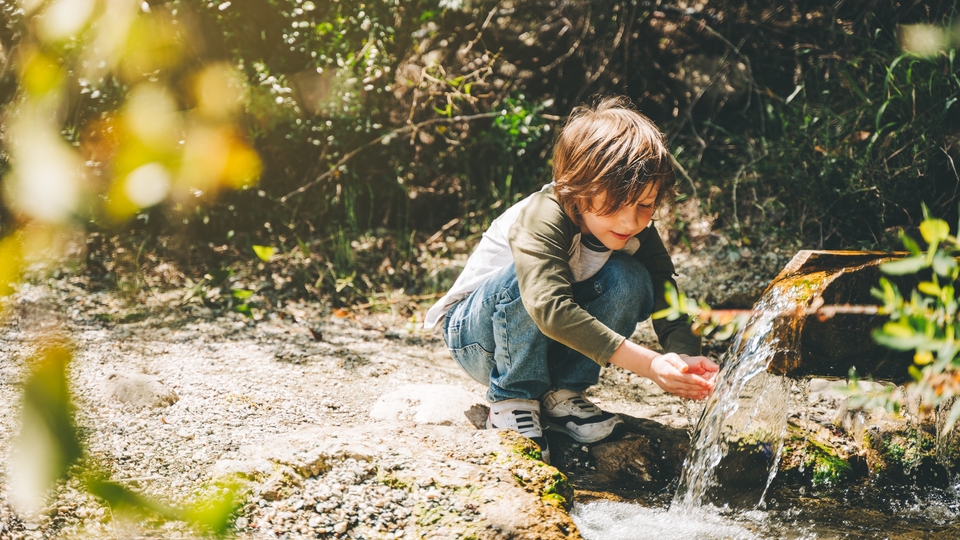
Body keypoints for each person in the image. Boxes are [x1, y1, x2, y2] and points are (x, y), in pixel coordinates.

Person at [423, 96, 718, 463]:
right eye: (615, 203)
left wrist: (684, 358)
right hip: (478, 340)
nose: (630, 221)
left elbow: (665, 293)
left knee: (632, 279)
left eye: (645, 205)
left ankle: (562, 393)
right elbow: (548, 308)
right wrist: (650, 365)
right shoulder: (542, 216)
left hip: (546, 341)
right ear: (578, 187)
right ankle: (512, 396)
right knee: (528, 282)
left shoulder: (637, 231)